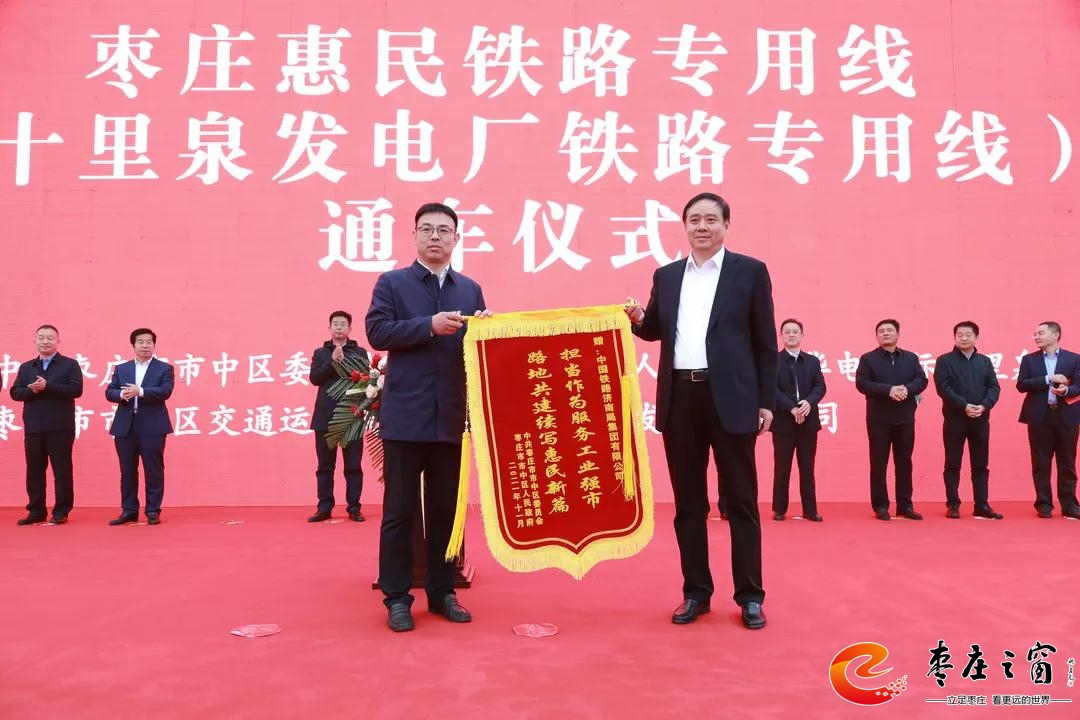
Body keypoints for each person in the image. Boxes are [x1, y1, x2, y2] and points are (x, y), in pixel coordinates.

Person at [626, 192, 776, 630]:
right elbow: (655, 328)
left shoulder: (750, 271)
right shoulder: (667, 275)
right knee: (689, 503)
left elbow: (765, 343)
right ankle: (696, 592)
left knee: (741, 502)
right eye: (694, 220)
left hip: (732, 399)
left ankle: (750, 596)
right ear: (685, 226)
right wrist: (638, 318)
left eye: (711, 219)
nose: (702, 227)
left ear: (726, 225)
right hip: (681, 400)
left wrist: (766, 401)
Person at [365, 202, 491, 633]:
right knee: (398, 513)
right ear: (414, 236)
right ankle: (397, 598)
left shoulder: (470, 289)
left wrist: (485, 331)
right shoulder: (393, 283)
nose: (435, 236)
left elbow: (476, 351)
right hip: (406, 416)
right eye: (427, 229)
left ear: (456, 238)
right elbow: (377, 331)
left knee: (445, 511)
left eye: (443, 230)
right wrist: (428, 325)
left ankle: (442, 592)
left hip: (450, 417)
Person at [9, 324, 84, 525]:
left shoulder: (70, 365)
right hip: (34, 427)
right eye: (41, 338)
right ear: (34, 341)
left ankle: (61, 511)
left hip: (61, 428)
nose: (45, 341)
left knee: (62, 471)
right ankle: (36, 510)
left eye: (50, 338)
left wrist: (47, 386)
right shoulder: (27, 367)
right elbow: (15, 392)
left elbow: (76, 390)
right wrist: (32, 390)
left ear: (58, 341)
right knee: (34, 471)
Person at [855, 319, 928, 521]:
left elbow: (922, 380)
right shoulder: (868, 359)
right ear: (877, 336)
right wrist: (889, 390)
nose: (885, 333)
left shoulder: (911, 358)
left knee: (904, 463)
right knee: (879, 463)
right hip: (879, 419)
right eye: (881, 331)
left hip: (905, 418)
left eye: (889, 330)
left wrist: (906, 390)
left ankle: (905, 506)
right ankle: (880, 505)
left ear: (898, 334)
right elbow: (862, 383)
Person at [105, 328, 175, 525]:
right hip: (125, 426)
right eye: (141, 342)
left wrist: (141, 391)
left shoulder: (164, 368)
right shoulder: (122, 368)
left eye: (149, 342)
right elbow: (110, 392)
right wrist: (121, 394)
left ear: (154, 344)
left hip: (153, 426)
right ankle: (129, 510)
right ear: (133, 345)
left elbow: (165, 391)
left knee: (153, 470)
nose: (145, 345)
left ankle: (152, 510)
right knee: (127, 471)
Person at [933, 321, 1002, 519]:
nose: (964, 338)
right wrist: (964, 405)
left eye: (968, 334)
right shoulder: (944, 360)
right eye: (960, 335)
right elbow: (943, 388)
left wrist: (984, 406)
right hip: (955, 419)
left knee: (980, 464)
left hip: (980, 418)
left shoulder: (985, 361)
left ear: (976, 337)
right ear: (954, 337)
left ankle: (981, 505)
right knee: (952, 464)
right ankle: (953, 504)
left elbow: (994, 387)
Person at [1016, 321, 1080, 519]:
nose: (1036, 336)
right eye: (1035, 333)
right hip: (1039, 416)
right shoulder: (1029, 360)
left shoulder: (1074, 358)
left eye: (1041, 333)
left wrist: (1066, 390)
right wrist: (1047, 379)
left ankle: (1069, 505)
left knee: (1067, 462)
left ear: (1055, 335)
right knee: (1041, 463)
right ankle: (1043, 504)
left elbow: (1078, 386)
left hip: (1066, 416)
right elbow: (1022, 385)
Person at [307, 310, 366, 523]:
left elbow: (365, 379)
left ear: (350, 328)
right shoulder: (320, 353)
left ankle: (354, 508)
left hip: (352, 416)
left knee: (353, 466)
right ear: (329, 328)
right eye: (335, 323)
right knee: (325, 466)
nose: (339, 327)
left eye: (343, 324)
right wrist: (332, 362)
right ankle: (324, 507)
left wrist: (346, 363)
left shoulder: (359, 352)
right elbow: (315, 378)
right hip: (325, 417)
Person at [770, 319, 826, 522]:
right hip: (783, 424)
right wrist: (792, 408)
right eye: (787, 332)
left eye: (795, 331)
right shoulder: (773, 361)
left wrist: (808, 402)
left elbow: (820, 386)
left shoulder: (812, 361)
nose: (791, 335)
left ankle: (810, 510)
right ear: (781, 336)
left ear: (802, 335)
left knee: (807, 468)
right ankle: (779, 509)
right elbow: (772, 389)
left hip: (808, 423)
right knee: (782, 468)